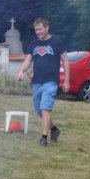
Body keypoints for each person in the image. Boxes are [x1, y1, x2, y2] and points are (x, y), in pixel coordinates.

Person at [17, 17, 70, 147]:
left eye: (40, 29)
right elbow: (28, 60)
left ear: (47, 28)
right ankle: (54, 129)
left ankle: (44, 138)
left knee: (45, 108)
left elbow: (65, 61)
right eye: (36, 30)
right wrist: (21, 71)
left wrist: (67, 81)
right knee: (39, 110)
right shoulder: (34, 44)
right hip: (37, 81)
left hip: (51, 81)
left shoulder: (57, 43)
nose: (38, 32)